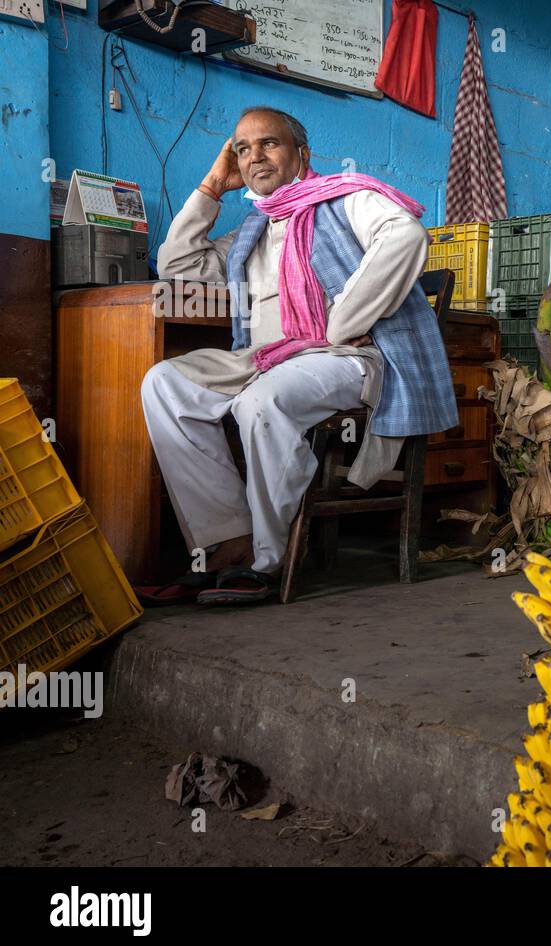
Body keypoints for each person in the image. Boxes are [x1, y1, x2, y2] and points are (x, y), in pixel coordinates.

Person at [137, 106, 458, 606]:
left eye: (269, 143)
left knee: (258, 403)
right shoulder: (252, 230)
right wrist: (210, 188)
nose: (254, 156)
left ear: (302, 154)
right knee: (164, 382)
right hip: (266, 357)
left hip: (349, 358)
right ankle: (227, 541)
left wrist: (342, 323)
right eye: (242, 149)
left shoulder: (348, 199)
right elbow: (178, 267)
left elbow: (406, 235)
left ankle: (270, 557)